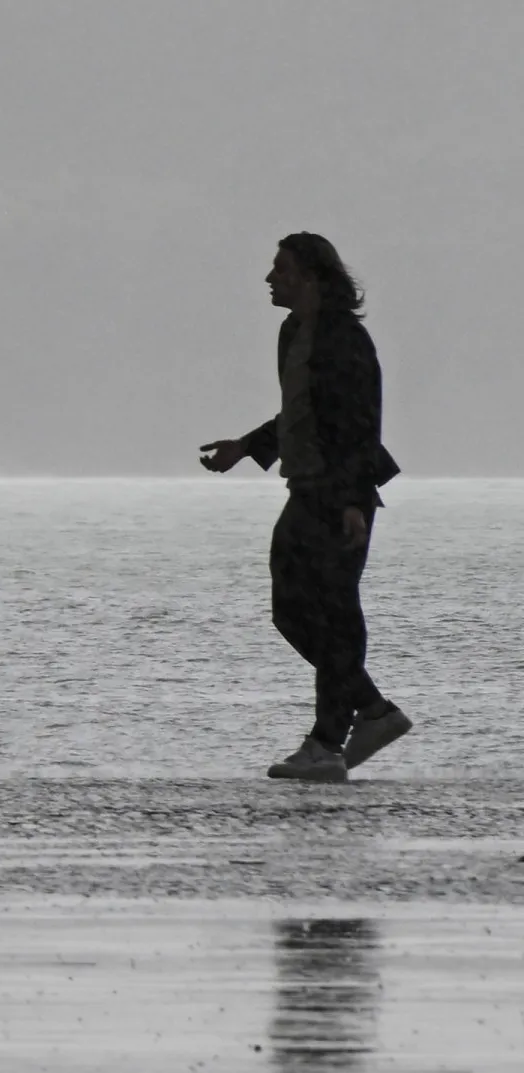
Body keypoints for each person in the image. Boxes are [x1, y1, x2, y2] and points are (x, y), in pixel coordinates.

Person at [199, 233, 409, 782]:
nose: (271, 279)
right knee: (291, 611)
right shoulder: (293, 332)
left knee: (337, 612)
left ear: (313, 278)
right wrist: (245, 447)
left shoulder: (346, 340)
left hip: (340, 495)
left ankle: (327, 744)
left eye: (282, 270)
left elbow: (360, 425)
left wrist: (353, 503)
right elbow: (300, 413)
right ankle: (374, 711)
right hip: (306, 488)